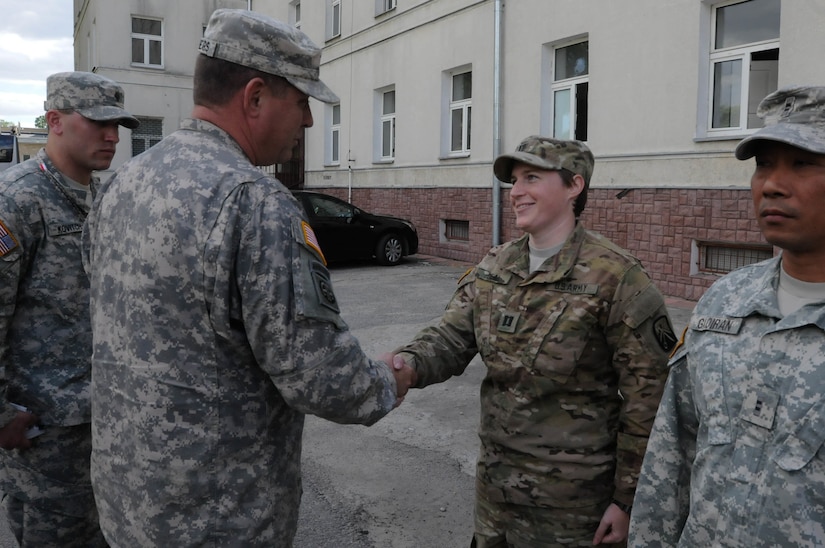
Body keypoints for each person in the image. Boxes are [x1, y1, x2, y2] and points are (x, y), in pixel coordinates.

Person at [81, 9, 415, 546]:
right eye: (302, 101)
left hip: (128, 502)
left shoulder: (121, 184)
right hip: (218, 518)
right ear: (255, 96)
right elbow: (318, 374)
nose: (308, 122)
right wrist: (389, 381)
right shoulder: (254, 200)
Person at [390, 136, 677, 547]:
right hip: (495, 500)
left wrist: (628, 500)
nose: (516, 192)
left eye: (531, 178)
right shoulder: (496, 265)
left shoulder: (617, 278)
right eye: (514, 181)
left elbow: (649, 399)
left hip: (572, 513)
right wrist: (405, 365)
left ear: (574, 186)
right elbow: (451, 336)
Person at [628, 85, 825, 546]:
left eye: (802, 163)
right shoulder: (725, 299)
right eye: (763, 165)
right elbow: (672, 451)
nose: (772, 184)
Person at [0, 71, 139, 547]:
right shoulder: (15, 201)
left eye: (118, 125)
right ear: (54, 121)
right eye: (98, 123)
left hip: (106, 424)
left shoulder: (104, 198)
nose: (112, 136)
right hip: (45, 440)